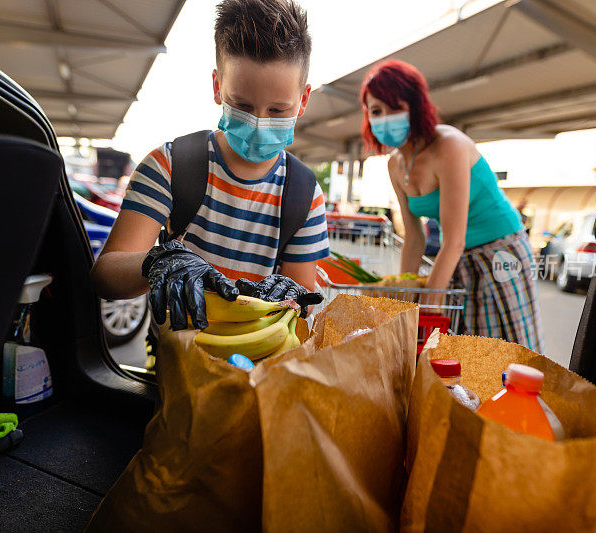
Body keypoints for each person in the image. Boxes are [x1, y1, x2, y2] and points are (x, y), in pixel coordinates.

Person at [91, 0, 329, 338]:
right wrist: (158, 261)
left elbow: (304, 298)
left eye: (278, 109)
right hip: (175, 363)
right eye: (242, 105)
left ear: (303, 100)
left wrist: (291, 296)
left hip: (261, 368)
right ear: (218, 87)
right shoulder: (170, 166)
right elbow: (105, 276)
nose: (260, 123)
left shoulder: (305, 195)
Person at [360, 60, 544, 352]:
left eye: (395, 107)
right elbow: (414, 238)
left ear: (416, 105)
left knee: (506, 350)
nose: (385, 118)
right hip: (457, 259)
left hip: (500, 253)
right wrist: (402, 299)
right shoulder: (395, 165)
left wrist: (429, 304)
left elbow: (454, 239)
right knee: (460, 351)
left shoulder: (449, 146)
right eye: (376, 111)